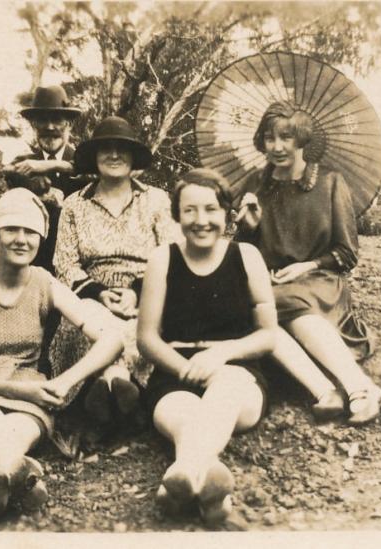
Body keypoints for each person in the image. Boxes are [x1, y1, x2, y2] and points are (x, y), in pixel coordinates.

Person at [0, 188, 124, 529]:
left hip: (30, 392)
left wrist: (65, 381)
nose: (21, 240)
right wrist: (19, 393)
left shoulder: (44, 282)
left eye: (30, 231)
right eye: (12, 230)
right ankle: (18, 479)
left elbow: (110, 337)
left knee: (20, 428)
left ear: (41, 238)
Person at [137, 168, 277, 526]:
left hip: (237, 373)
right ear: (177, 215)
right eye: (190, 211)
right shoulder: (162, 259)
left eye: (211, 209)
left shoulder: (247, 257)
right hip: (174, 372)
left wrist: (220, 355)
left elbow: (268, 335)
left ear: (227, 213)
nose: (201, 220)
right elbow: (147, 338)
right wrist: (185, 368)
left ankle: (181, 478)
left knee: (224, 393)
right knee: (185, 420)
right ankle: (210, 487)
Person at [234, 101, 381, 425]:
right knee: (255, 308)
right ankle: (326, 392)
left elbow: (347, 253)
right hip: (271, 284)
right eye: (270, 138)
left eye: (286, 138)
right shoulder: (254, 186)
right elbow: (242, 255)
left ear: (302, 139)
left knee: (278, 303)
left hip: (320, 283)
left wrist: (308, 266)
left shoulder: (329, 182)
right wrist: (247, 228)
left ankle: (360, 390)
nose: (277, 147)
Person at [50, 116, 180, 440]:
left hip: (147, 287)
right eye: (105, 149)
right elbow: (64, 263)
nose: (113, 155)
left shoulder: (156, 200)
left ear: (133, 156)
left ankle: (108, 385)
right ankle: (117, 382)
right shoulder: (74, 205)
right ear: (94, 158)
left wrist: (137, 292)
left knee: (141, 326)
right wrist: (99, 293)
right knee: (92, 325)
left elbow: (171, 253)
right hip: (91, 293)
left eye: (121, 149)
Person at [4, 85, 85, 273]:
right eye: (42, 120)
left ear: (69, 124)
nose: (49, 127)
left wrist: (51, 166)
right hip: (31, 270)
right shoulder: (21, 166)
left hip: (78, 269)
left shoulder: (84, 162)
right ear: (33, 125)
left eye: (57, 120)